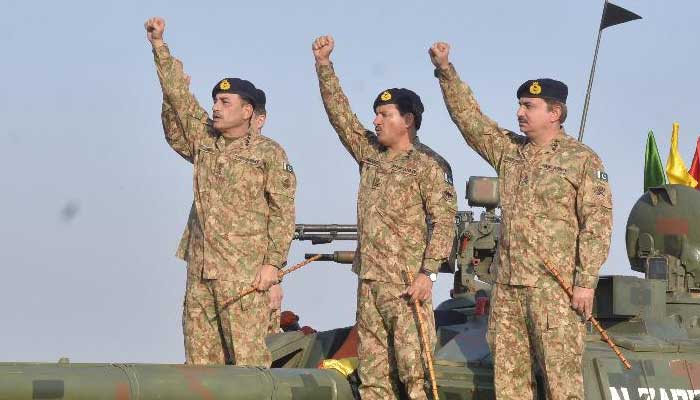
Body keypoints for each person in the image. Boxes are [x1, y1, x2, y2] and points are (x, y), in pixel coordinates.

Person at [429, 41, 612, 399]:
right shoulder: (510, 154)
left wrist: (585, 282)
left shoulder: (583, 161)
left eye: (529, 106)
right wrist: (446, 72)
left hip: (555, 292)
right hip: (509, 289)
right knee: (510, 388)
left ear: (555, 113)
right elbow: (471, 121)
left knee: (563, 387)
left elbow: (598, 224)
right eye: (519, 105)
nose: (520, 112)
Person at [312, 35, 457, 400]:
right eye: (376, 113)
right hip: (370, 282)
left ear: (407, 120)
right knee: (374, 379)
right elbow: (340, 117)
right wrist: (324, 66)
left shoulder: (428, 166)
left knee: (415, 377)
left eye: (384, 114)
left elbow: (444, 221)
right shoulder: (370, 156)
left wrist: (428, 273)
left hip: (408, 286)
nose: (375, 120)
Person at [146, 16, 296, 366]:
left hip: (244, 275)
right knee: (200, 368)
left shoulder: (268, 153)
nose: (216, 106)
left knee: (248, 366)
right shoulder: (206, 143)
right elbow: (180, 101)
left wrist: (273, 264)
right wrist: (159, 47)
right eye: (215, 100)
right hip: (201, 272)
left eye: (226, 102)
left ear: (248, 112)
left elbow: (283, 211)